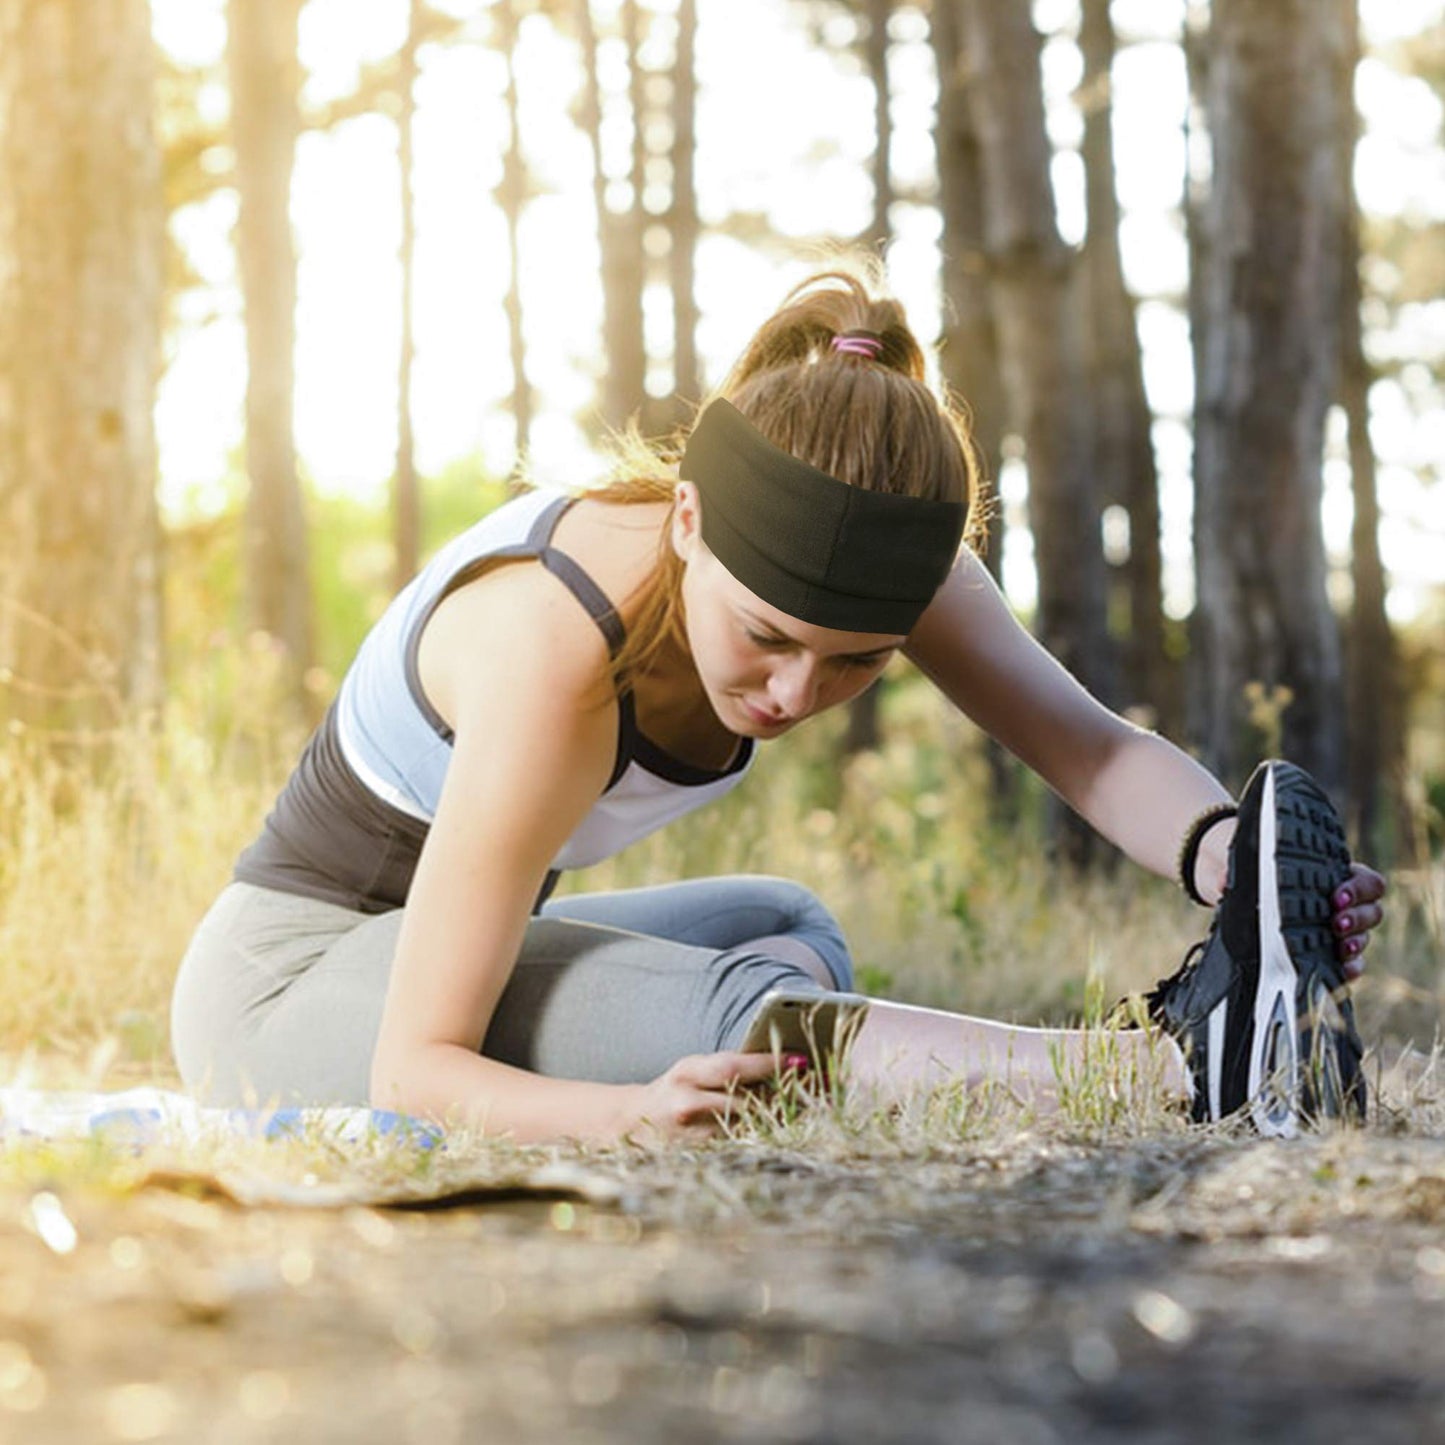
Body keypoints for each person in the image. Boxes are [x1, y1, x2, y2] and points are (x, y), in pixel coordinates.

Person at [170, 266, 1386, 1144]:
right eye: (765, 637)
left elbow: (1094, 752)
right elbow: (413, 1066)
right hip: (286, 990)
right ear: (688, 525)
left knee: (785, 922)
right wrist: (621, 1110)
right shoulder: (556, 647)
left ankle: (1235, 1025)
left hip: (447, 955)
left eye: (856, 662)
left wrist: (1236, 862)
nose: (798, 692)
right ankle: (1171, 1072)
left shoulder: (884, 555)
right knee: (740, 1016)